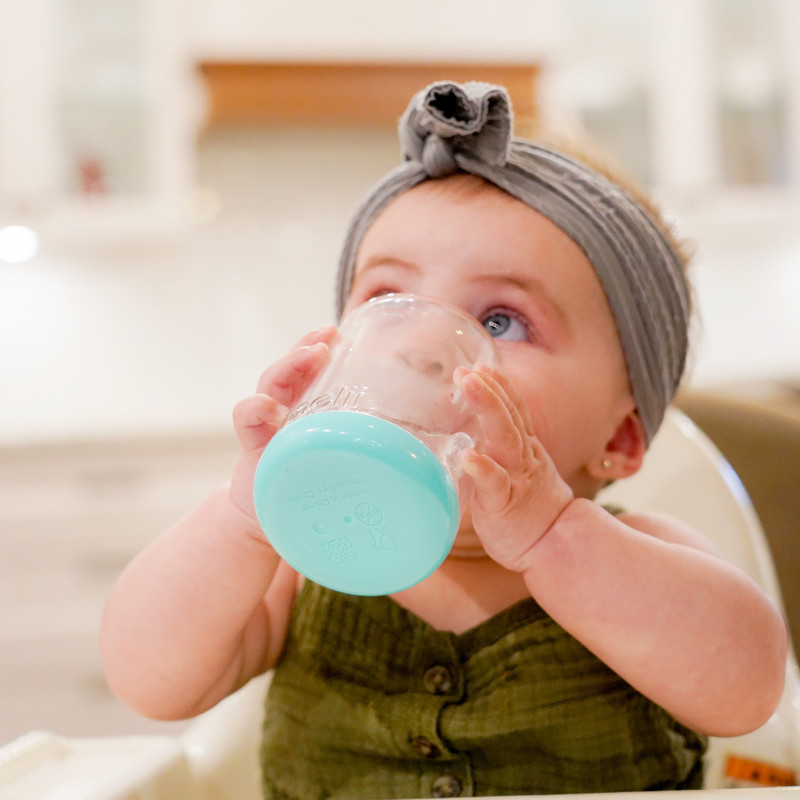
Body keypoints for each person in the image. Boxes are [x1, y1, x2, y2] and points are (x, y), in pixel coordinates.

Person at [101, 82, 788, 798]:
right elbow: (148, 681)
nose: (423, 347)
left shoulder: (646, 560)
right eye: (386, 302)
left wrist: (553, 537)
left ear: (619, 434)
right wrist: (246, 514)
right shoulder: (302, 563)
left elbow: (749, 690)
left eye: (499, 321)